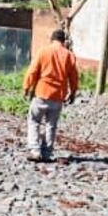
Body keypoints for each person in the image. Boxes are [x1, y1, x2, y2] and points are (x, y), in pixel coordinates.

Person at [22, 29, 79, 162]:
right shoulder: (69, 55)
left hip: (42, 92)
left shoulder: (43, 51)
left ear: (52, 39)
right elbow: (74, 77)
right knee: (51, 124)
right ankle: (47, 153)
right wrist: (73, 92)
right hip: (58, 95)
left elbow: (32, 71)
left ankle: (35, 151)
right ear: (64, 41)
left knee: (34, 121)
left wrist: (26, 87)